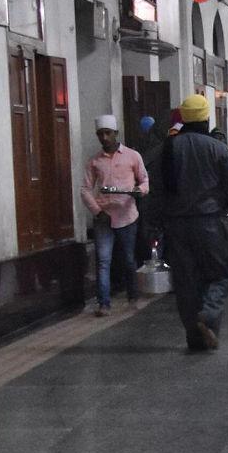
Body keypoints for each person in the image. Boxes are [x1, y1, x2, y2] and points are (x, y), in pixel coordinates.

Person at [146, 95, 228, 351]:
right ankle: (209, 315)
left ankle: (195, 337)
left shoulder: (165, 149)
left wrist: (152, 226)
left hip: (175, 227)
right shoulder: (217, 148)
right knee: (222, 273)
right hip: (209, 225)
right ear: (205, 118)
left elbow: (155, 192)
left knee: (186, 283)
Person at [80, 114, 149, 316]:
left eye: (108, 133)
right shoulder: (95, 162)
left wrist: (139, 191)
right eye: (100, 134)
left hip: (127, 214)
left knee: (128, 258)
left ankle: (132, 297)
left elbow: (144, 181)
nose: (104, 138)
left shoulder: (132, 156)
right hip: (104, 217)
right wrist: (97, 211)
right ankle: (104, 303)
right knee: (103, 260)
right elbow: (85, 189)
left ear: (116, 133)